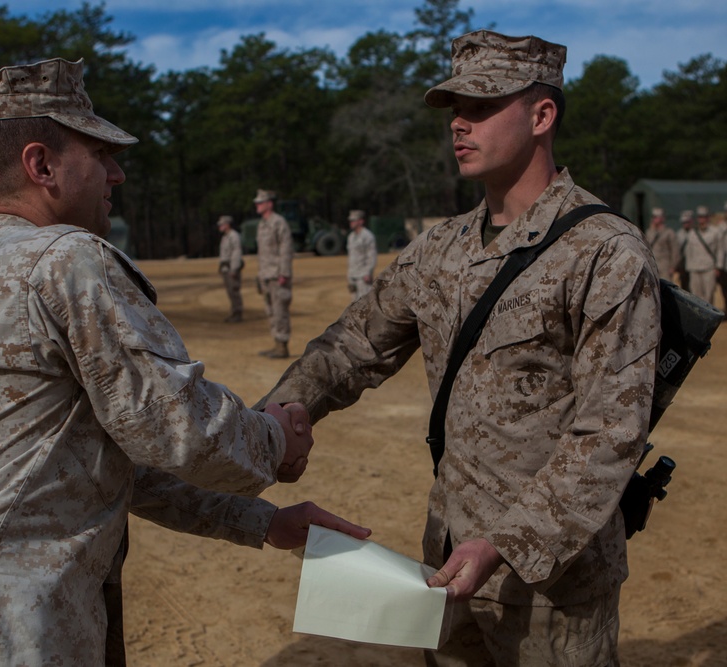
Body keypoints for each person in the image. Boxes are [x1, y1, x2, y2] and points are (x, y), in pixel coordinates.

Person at [0, 58, 369, 667]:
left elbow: (112, 460)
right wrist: (275, 437)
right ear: (40, 165)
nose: (117, 173)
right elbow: (183, 430)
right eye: (99, 154)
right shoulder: (66, 261)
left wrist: (262, 524)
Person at [257, 30, 660, 665]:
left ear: (541, 114)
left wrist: (503, 543)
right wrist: (267, 426)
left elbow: (610, 432)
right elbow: (349, 350)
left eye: (481, 107)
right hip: (447, 562)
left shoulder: (604, 251)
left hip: (550, 587)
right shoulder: (440, 250)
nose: (459, 125)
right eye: (454, 110)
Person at [254, 189, 294, 358]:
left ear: (269, 203)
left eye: (260, 202)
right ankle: (276, 343)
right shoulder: (262, 224)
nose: (257, 205)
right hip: (266, 275)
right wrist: (260, 275)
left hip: (278, 276)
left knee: (280, 310)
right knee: (271, 311)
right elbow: (262, 253)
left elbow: (286, 249)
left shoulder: (279, 222)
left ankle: (283, 345)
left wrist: (284, 272)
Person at [681, 205, 720, 305]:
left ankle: (709, 319)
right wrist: (688, 268)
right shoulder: (692, 233)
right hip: (694, 268)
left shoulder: (715, 232)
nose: (701, 219)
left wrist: (717, 267)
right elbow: (688, 251)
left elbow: (718, 250)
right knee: (696, 297)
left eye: (703, 217)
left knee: (709, 295)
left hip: (709, 268)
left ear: (708, 218)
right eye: (699, 217)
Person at [217, 214, 244, 322]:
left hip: (231, 268)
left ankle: (238, 313)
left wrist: (234, 268)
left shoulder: (234, 236)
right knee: (230, 292)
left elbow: (236, 253)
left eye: (222, 224)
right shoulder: (225, 237)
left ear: (227, 225)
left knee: (234, 291)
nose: (220, 226)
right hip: (225, 268)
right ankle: (234, 312)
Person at [346, 209, 377, 300]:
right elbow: (351, 257)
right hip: (353, 274)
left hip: (363, 277)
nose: (351, 222)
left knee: (364, 303)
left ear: (361, 221)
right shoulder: (351, 237)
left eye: (353, 220)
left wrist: (368, 272)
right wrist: (349, 275)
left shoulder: (367, 236)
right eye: (350, 221)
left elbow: (371, 256)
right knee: (354, 304)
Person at [644, 207, 679, 281]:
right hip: (652, 265)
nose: (655, 219)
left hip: (665, 266)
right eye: (654, 217)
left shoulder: (669, 233)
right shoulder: (649, 232)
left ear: (662, 218)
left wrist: (673, 266)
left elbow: (675, 251)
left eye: (657, 217)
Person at [675, 210, 694, 290]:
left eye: (687, 222)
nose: (686, 224)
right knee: (684, 287)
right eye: (684, 222)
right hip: (683, 264)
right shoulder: (679, 234)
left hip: (693, 263)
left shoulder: (695, 233)